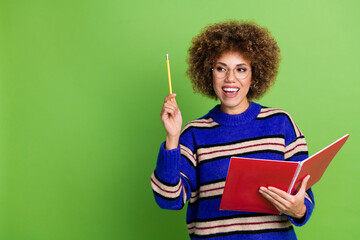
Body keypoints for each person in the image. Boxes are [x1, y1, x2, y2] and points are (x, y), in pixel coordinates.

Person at [150, 21, 314, 240]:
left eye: (241, 69)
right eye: (221, 68)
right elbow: (169, 199)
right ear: (209, 73)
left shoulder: (281, 124)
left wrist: (299, 209)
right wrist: (172, 138)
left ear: (254, 74)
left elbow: (305, 194)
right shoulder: (193, 134)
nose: (230, 79)